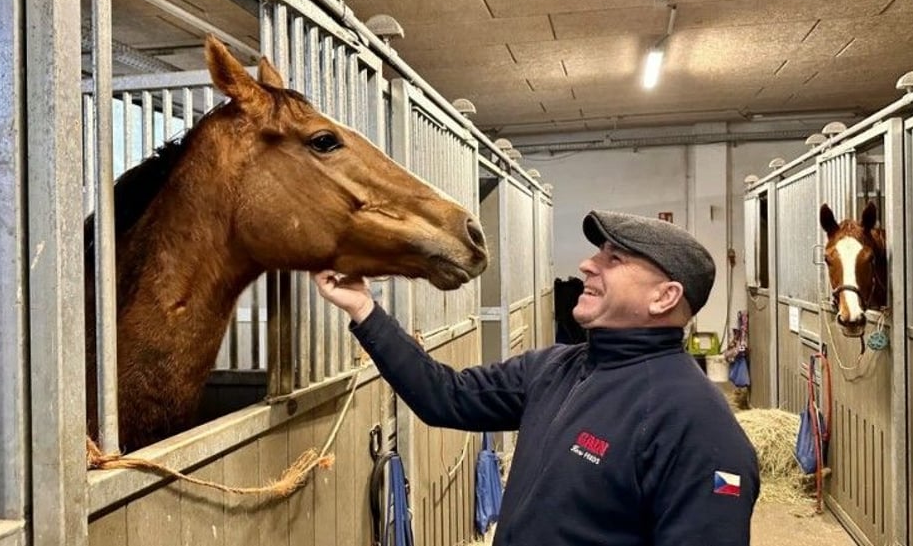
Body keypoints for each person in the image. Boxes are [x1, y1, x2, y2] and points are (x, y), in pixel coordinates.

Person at [313, 210, 759, 545]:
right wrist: (364, 309)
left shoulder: (697, 426)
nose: (587, 265)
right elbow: (444, 396)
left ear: (664, 297)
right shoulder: (555, 368)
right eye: (598, 253)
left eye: (615, 258)